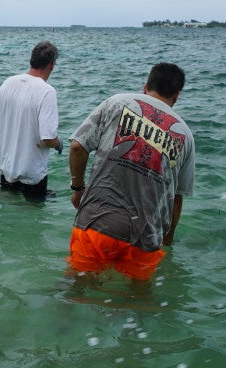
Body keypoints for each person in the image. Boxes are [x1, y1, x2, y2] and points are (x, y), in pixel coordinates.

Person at [66, 62, 195, 281]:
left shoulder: (117, 103)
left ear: (145, 86)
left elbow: (78, 147)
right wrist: (166, 240)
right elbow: (177, 199)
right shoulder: (186, 135)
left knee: (76, 288)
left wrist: (77, 188)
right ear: (177, 96)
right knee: (138, 304)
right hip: (146, 238)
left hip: (97, 223)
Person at [0, 40, 62, 200]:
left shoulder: (8, 83)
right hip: (33, 174)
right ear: (52, 65)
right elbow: (48, 138)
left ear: (31, 60)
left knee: (7, 217)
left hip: (7, 170)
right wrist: (59, 144)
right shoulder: (47, 91)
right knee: (33, 218)